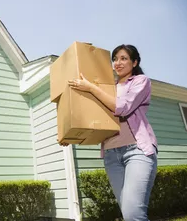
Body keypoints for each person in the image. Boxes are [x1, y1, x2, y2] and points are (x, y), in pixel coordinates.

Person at [62, 44, 158, 221]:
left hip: (136, 150)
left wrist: (91, 87)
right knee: (128, 213)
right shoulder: (108, 86)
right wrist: (69, 134)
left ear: (134, 62)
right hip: (111, 155)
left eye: (123, 58)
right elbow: (95, 118)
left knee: (133, 214)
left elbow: (122, 107)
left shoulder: (140, 81)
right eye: (114, 59)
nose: (117, 63)